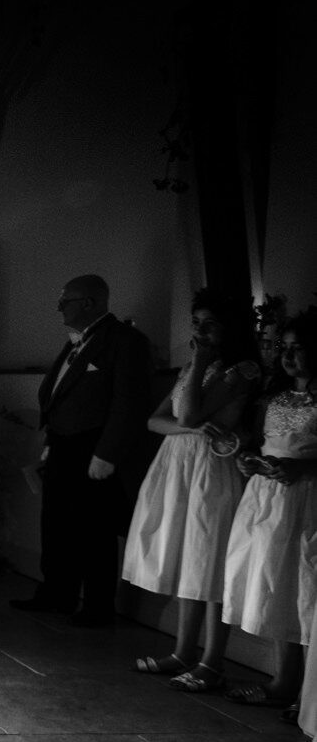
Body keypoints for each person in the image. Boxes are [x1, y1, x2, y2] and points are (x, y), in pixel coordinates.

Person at [120, 290, 260, 690]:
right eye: (196, 322)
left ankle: (212, 661)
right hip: (178, 465)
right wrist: (192, 426)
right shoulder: (192, 367)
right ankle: (183, 651)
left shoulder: (243, 369)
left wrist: (198, 370)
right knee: (186, 557)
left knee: (208, 561)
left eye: (209, 323)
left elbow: (188, 412)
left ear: (229, 327)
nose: (199, 330)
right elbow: (155, 420)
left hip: (210, 469)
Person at [12, 274, 153, 627]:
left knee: (94, 530)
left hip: (93, 447)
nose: (60, 306)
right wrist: (50, 445)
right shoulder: (75, 343)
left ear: (89, 303)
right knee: (57, 524)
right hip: (64, 443)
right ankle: (57, 593)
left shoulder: (124, 341)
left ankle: (97, 605)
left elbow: (128, 402)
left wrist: (107, 453)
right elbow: (61, 397)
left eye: (66, 300)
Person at [223, 310, 316, 708]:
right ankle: (283, 682)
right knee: (278, 585)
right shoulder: (274, 398)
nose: (288, 356)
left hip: (308, 497)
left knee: (307, 587)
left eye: (299, 349)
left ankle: (309, 694)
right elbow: (264, 443)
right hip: (270, 499)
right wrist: (249, 460)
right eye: (284, 348)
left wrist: (302, 466)